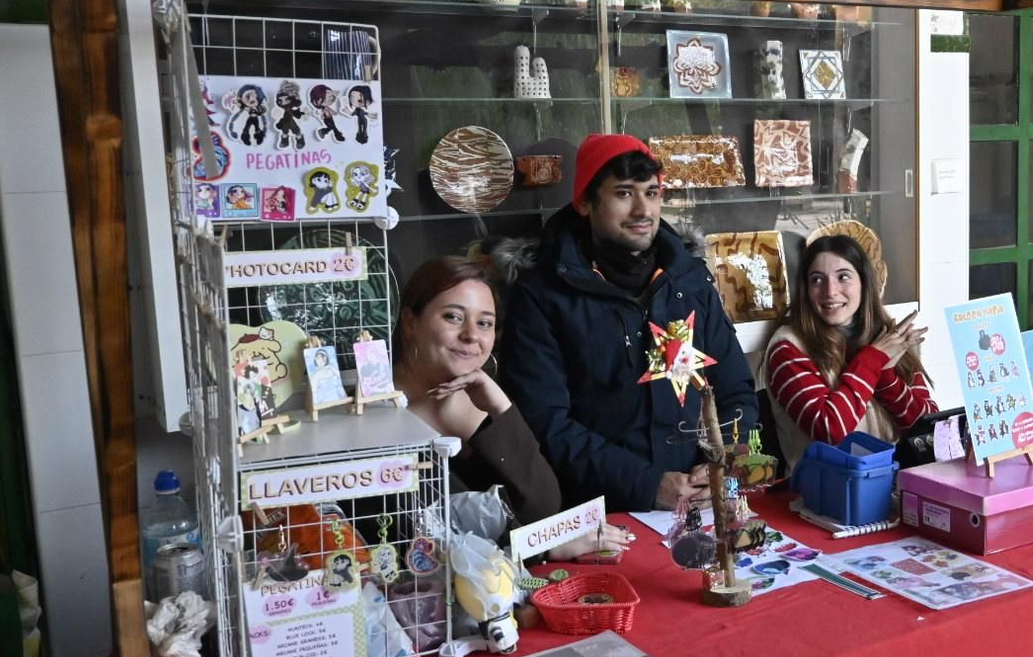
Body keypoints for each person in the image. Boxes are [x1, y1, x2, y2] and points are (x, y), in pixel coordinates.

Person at [498, 134, 757, 513]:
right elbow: (545, 425)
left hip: (702, 501)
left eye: (652, 193)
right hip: (599, 515)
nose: (643, 210)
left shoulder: (689, 281)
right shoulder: (543, 296)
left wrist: (723, 461)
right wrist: (648, 484)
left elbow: (735, 389)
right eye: (624, 194)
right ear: (586, 202)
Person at [394, 256, 629, 557]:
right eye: (453, 317)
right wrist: (542, 549)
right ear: (411, 322)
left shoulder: (483, 399)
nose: (472, 335)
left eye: (485, 323)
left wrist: (501, 407)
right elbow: (423, 544)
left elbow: (542, 504)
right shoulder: (379, 419)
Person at [765, 233, 936, 460]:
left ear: (864, 283)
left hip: (896, 487)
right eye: (817, 280)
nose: (830, 291)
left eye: (843, 277)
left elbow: (930, 430)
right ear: (805, 289)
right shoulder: (787, 348)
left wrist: (886, 378)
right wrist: (873, 360)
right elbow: (830, 430)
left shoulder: (886, 337)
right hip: (828, 493)